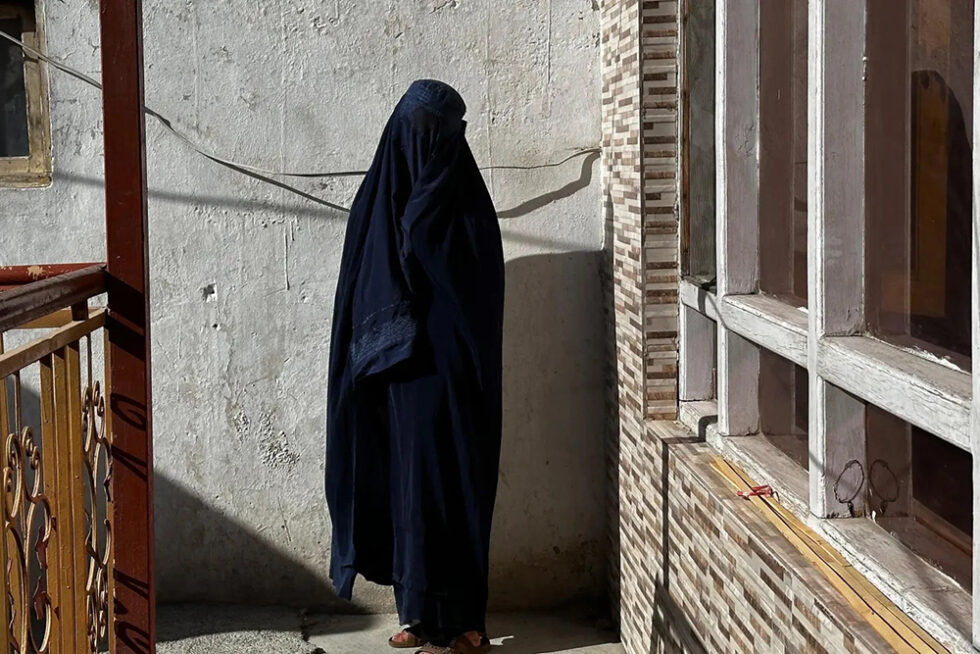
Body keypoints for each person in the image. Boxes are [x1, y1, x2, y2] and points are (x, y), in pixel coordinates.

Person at [325, 79, 505, 654]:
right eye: (414, 133)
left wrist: (422, 239)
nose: (423, 146)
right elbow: (361, 290)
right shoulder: (377, 202)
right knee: (410, 494)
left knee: (457, 489)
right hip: (400, 375)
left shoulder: (466, 207)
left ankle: (466, 624)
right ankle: (420, 616)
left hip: (456, 376)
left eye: (434, 134)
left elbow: (478, 296)